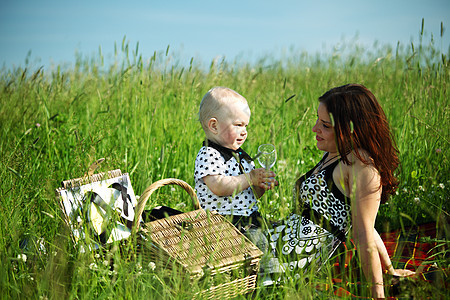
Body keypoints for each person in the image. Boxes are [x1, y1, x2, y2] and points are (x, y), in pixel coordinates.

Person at [266, 84, 415, 298]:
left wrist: (378, 294)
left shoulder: (361, 167)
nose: (315, 128)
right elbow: (364, 222)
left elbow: (363, 233)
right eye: (318, 120)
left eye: (325, 125)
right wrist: (389, 269)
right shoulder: (336, 152)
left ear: (350, 129)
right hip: (277, 241)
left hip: (290, 261)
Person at [194, 86, 278, 248]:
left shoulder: (243, 157)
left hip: (249, 219)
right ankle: (271, 272)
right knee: (263, 249)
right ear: (214, 126)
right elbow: (218, 186)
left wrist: (260, 185)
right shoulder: (209, 154)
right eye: (238, 124)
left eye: (246, 126)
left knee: (273, 236)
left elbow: (251, 194)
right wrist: (250, 177)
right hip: (224, 222)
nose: (244, 131)